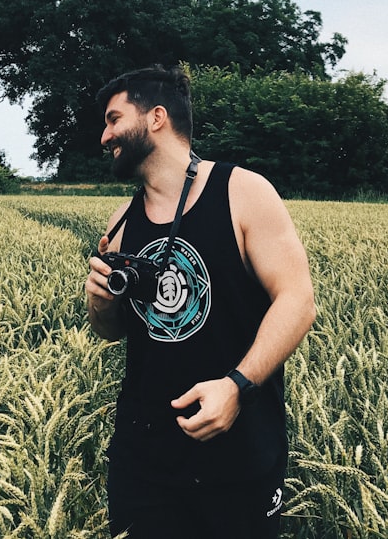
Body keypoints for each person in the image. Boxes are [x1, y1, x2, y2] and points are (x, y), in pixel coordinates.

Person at [84, 65, 316, 538]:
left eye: (113, 119)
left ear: (156, 118)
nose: (103, 136)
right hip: (143, 461)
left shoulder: (243, 193)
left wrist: (236, 385)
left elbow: (298, 300)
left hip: (239, 456)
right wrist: (102, 303)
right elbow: (113, 331)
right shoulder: (122, 221)